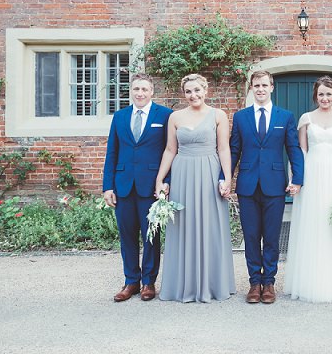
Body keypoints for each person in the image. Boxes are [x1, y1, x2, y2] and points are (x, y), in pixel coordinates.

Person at [155, 74, 236, 303]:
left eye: (198, 90)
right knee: (182, 224)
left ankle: (213, 283)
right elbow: (170, 150)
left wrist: (227, 178)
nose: (194, 95)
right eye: (189, 91)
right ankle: (184, 284)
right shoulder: (175, 117)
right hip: (182, 174)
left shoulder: (218, 115)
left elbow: (224, 149)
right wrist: (160, 179)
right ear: (184, 93)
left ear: (206, 90)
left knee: (211, 226)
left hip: (209, 172)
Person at [230, 70, 304, 304]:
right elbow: (234, 150)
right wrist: (225, 178)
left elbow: (294, 149)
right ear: (251, 88)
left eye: (264, 85)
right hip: (247, 185)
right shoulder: (241, 117)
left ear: (272, 87)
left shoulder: (285, 117)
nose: (260, 89)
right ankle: (254, 282)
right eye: (256, 85)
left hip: (274, 184)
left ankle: (269, 282)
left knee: (271, 236)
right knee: (251, 236)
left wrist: (298, 178)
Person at [284, 76, 332, 303]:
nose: (324, 98)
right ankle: (307, 280)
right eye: (320, 94)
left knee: (331, 224)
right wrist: (295, 179)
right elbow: (300, 152)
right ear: (315, 96)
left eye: (328, 94)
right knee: (311, 222)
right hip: (311, 173)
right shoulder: (306, 119)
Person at [102, 73, 173, 302]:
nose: (140, 93)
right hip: (123, 186)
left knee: (151, 235)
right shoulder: (120, 116)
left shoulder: (165, 115)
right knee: (127, 235)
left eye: (144, 89)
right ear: (131, 91)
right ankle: (130, 281)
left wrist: (165, 182)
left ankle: (148, 282)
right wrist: (108, 186)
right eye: (136, 89)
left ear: (152, 91)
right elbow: (112, 152)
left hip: (151, 186)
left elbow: (170, 151)